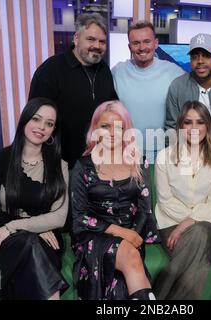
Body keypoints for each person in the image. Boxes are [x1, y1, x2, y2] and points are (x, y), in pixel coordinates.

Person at [0, 97, 70, 300]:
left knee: (34, 247)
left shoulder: (59, 166)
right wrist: (29, 226)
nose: (41, 127)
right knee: (29, 243)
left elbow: (59, 217)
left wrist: (17, 225)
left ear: (53, 132)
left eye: (49, 124)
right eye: (36, 119)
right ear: (25, 120)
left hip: (46, 238)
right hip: (0, 238)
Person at [71, 100, 159, 300]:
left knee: (123, 277)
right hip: (94, 236)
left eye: (118, 127)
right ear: (95, 129)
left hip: (131, 235)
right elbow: (79, 218)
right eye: (105, 126)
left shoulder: (138, 160)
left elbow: (145, 210)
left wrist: (133, 235)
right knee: (130, 257)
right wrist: (122, 233)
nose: (111, 133)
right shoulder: (83, 166)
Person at [153, 100, 211, 300]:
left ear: (208, 127)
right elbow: (165, 201)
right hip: (170, 221)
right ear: (180, 126)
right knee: (200, 262)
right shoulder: (164, 157)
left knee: (199, 233)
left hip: (210, 223)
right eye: (188, 122)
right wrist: (188, 221)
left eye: (200, 122)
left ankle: (156, 298)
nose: (194, 128)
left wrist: (190, 221)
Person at [29, 13, 117, 168]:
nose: (97, 45)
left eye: (102, 41)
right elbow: (34, 120)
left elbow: (112, 110)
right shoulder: (51, 70)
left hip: (99, 162)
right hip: (61, 165)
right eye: (90, 39)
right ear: (76, 39)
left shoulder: (105, 71)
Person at [111, 21, 185, 161]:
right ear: (129, 46)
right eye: (136, 43)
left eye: (147, 41)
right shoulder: (118, 72)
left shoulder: (174, 72)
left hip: (163, 153)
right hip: (127, 152)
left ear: (156, 43)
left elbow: (197, 86)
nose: (142, 47)